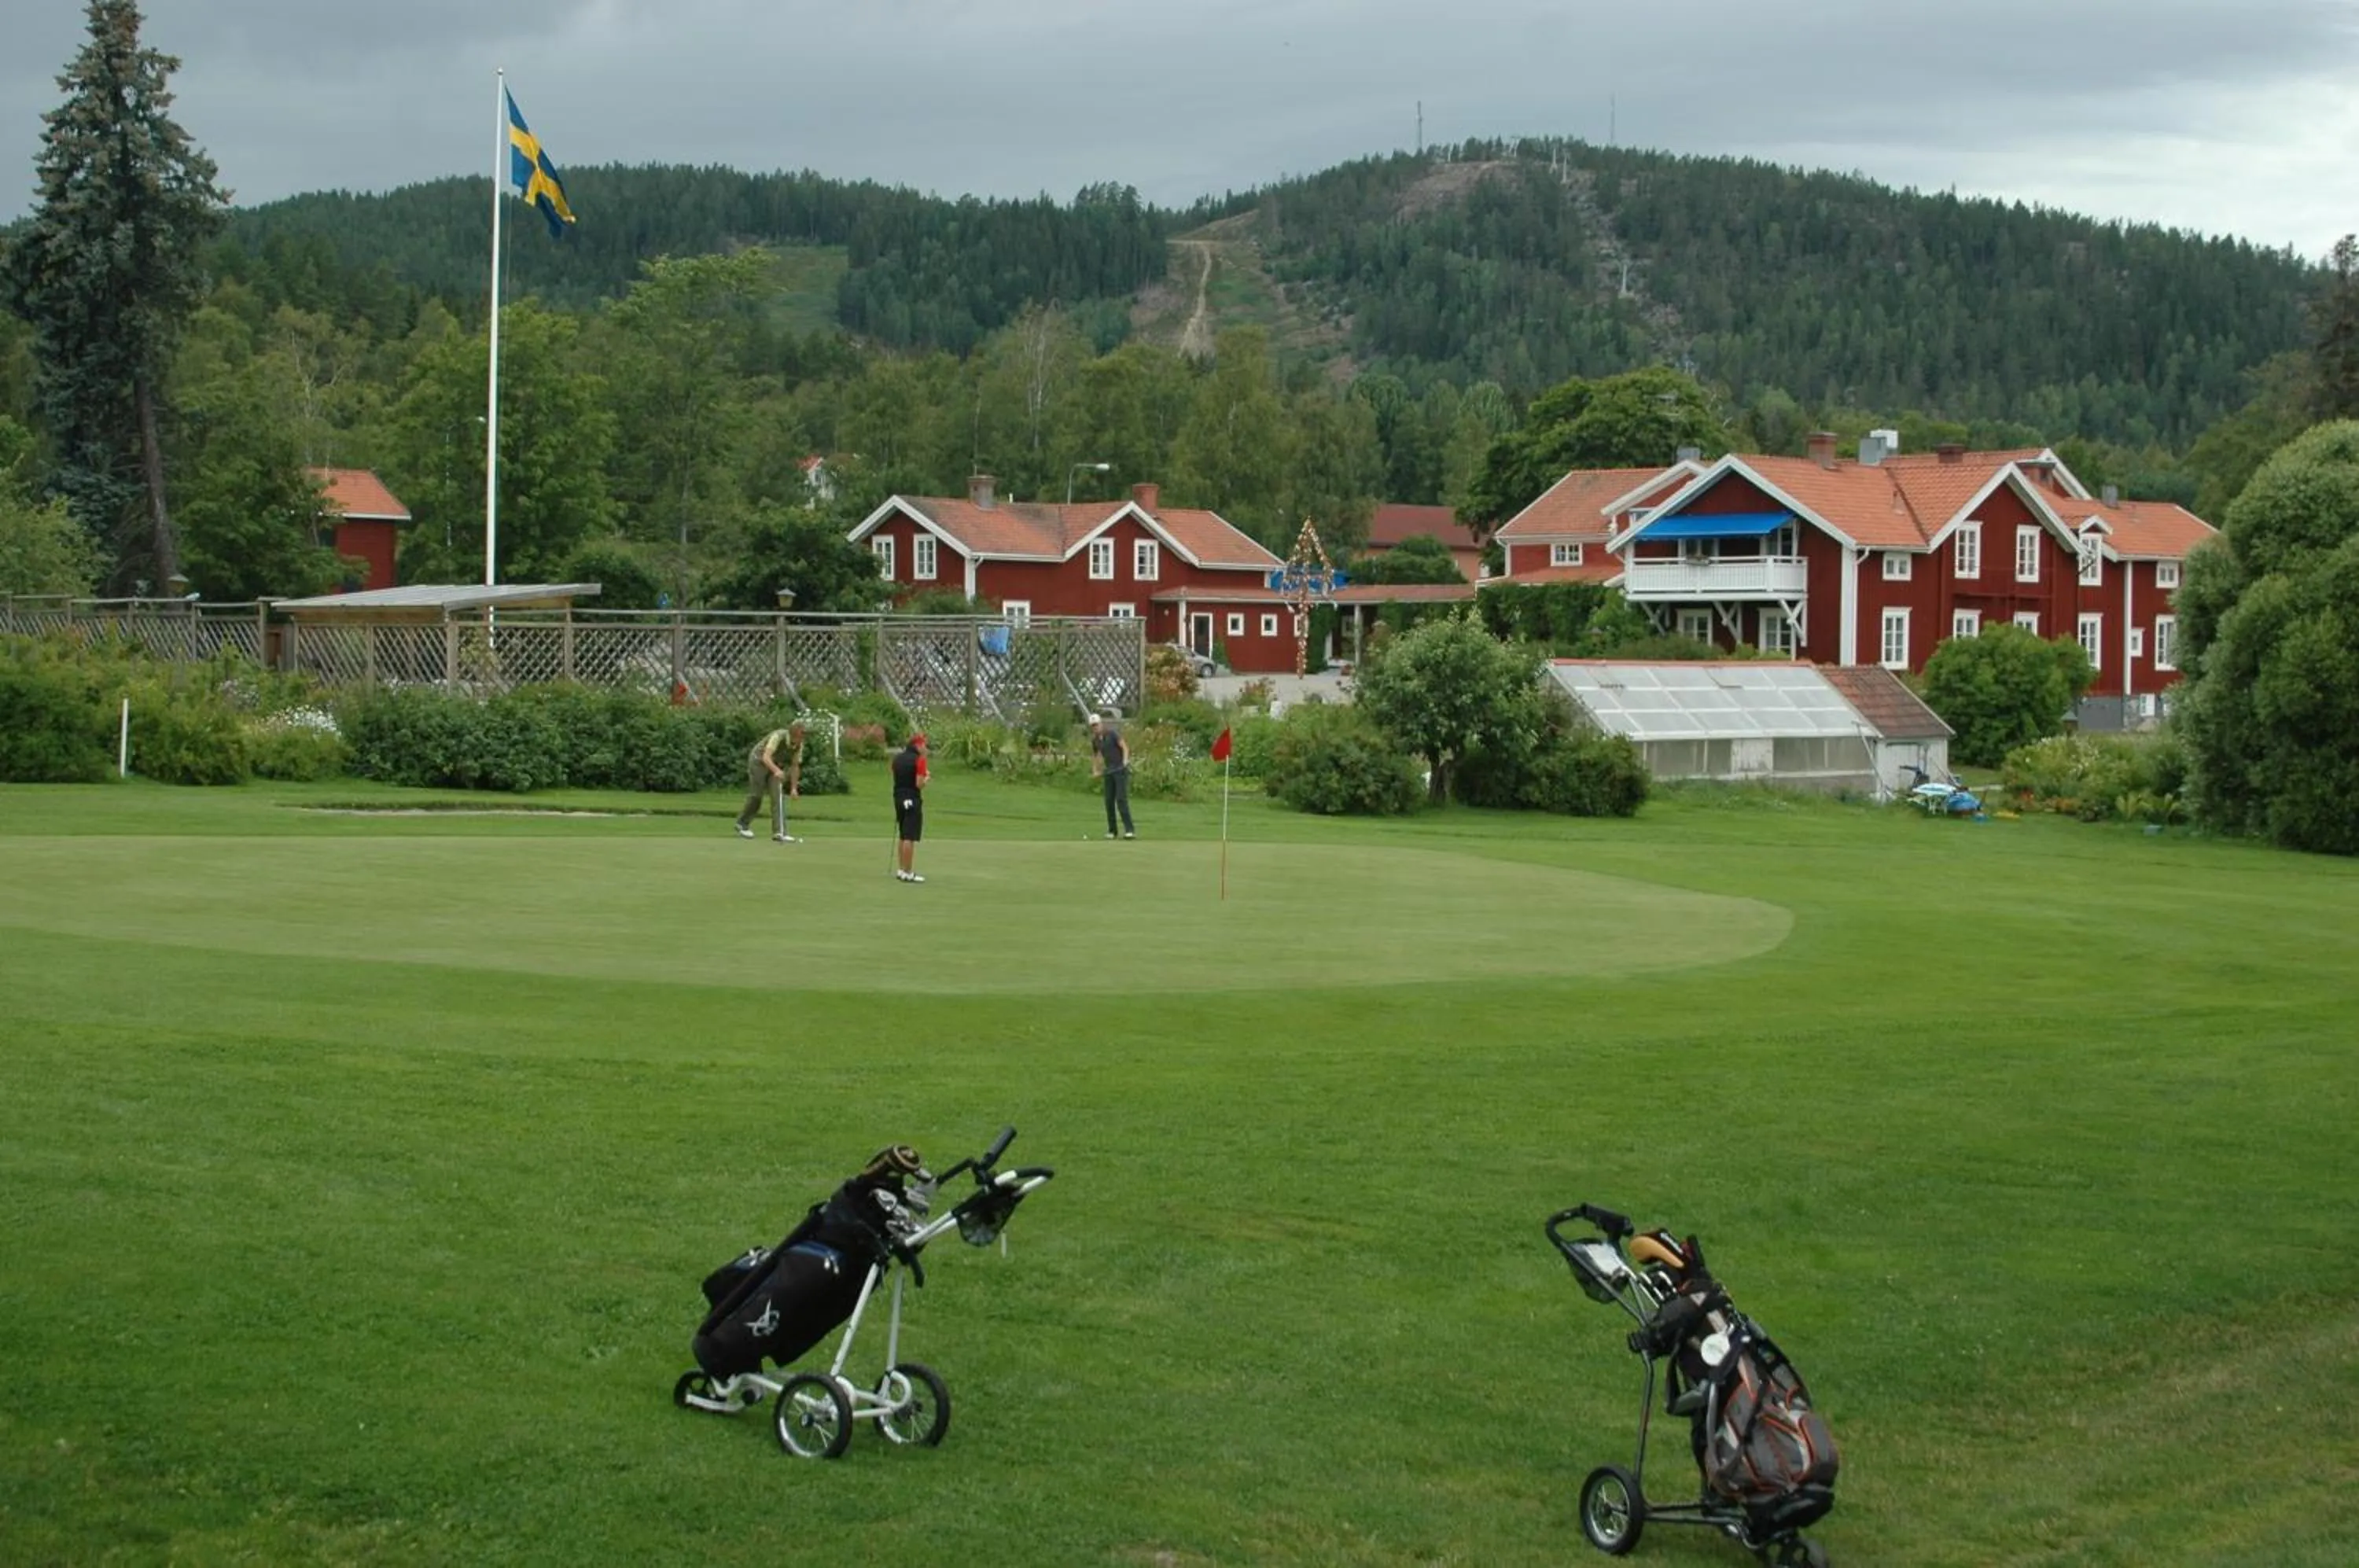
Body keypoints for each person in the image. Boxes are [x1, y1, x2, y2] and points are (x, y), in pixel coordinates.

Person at [734, 722, 804, 841]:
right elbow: (766, 757)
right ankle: (742, 823)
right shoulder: (778, 736)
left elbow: (795, 766)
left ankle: (779, 832)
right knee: (757, 795)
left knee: (778, 796)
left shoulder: (799, 745)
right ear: (795, 732)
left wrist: (793, 788)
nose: (804, 736)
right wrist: (776, 771)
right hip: (758, 762)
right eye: (802, 733)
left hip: (775, 765)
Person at [1090, 710, 1135, 839]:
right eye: (1093, 726)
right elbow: (1096, 756)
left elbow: (1124, 747)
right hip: (1109, 771)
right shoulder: (1095, 741)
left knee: (1121, 799)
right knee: (1109, 801)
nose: (1095, 728)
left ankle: (1130, 830)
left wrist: (1125, 760)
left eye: (1096, 725)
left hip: (1120, 770)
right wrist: (1095, 770)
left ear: (1101, 724)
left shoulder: (1112, 734)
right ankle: (1112, 830)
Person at [891, 731, 929, 882]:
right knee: (909, 836)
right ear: (917, 745)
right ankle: (908, 872)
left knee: (902, 834)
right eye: (924, 745)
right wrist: (926, 778)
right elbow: (919, 784)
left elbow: (897, 775)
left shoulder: (897, 759)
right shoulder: (919, 760)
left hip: (898, 798)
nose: (925, 748)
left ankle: (901, 870)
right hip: (912, 798)